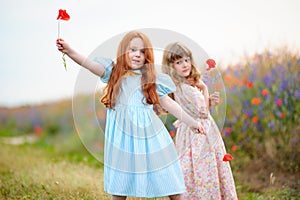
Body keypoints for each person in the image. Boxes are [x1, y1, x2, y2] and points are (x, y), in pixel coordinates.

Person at [56, 31, 206, 200]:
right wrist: (69, 51)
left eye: (142, 52)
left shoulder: (150, 79)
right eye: (133, 49)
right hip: (123, 140)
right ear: (123, 51)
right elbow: (89, 64)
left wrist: (192, 122)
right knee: (121, 186)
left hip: (151, 138)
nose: (137, 55)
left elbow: (169, 104)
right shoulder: (113, 73)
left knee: (168, 179)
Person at [161, 42, 238, 199]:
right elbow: (202, 113)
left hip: (188, 130)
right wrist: (204, 89)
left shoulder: (180, 85)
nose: (184, 65)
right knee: (204, 168)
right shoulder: (188, 87)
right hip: (199, 132)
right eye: (178, 62)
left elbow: (195, 108)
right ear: (171, 66)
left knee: (192, 168)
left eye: (186, 60)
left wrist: (208, 101)